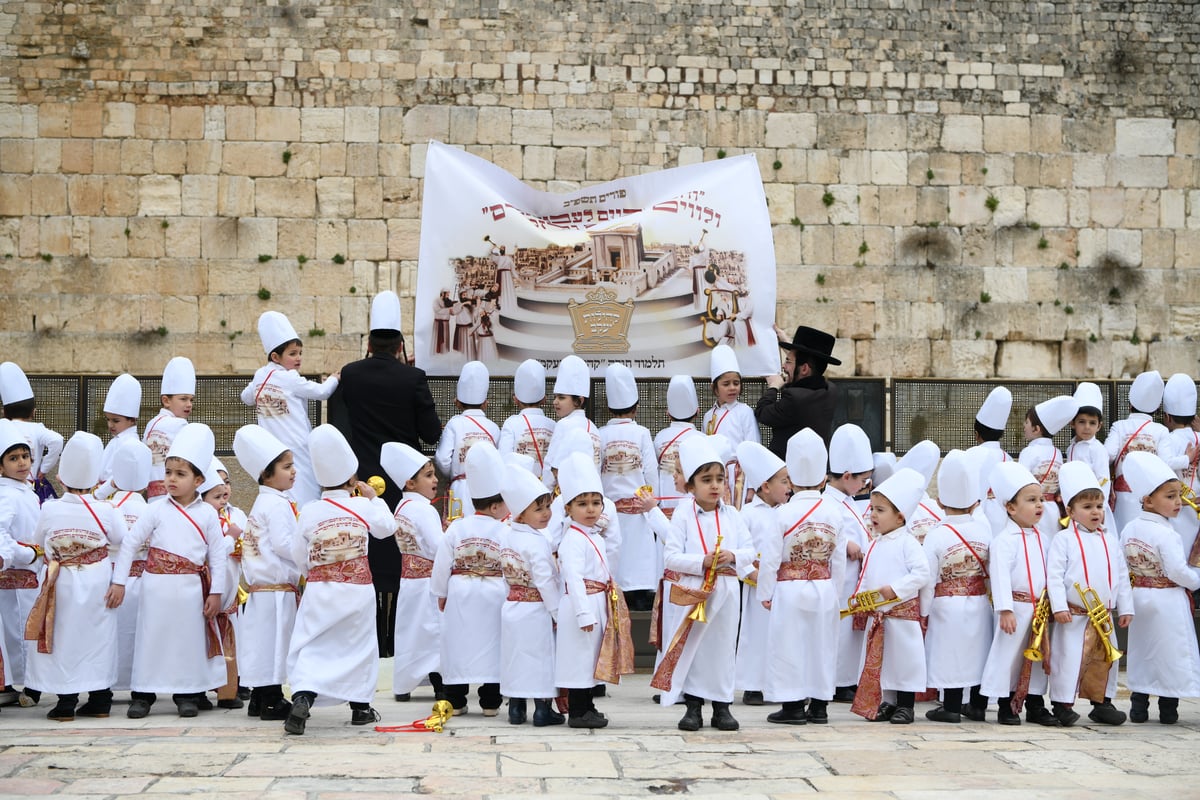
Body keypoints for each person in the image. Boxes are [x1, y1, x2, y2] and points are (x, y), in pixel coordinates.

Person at [329, 290, 442, 658]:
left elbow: (340, 428)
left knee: (368, 554)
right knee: (399, 556)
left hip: (361, 481)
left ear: (369, 342)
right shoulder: (413, 378)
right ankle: (396, 637)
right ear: (398, 345)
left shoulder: (350, 374)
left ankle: (373, 634)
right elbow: (431, 433)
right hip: (401, 481)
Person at [106, 423, 227, 719]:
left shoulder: (207, 514)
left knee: (186, 640)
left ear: (199, 480)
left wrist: (216, 592)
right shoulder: (156, 508)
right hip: (155, 587)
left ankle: (186, 693)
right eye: (168, 472)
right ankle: (142, 694)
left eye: (180, 474)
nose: (171, 479)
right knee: (150, 638)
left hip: (190, 591)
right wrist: (119, 581)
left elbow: (219, 556)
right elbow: (131, 544)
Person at [283, 424, 396, 735]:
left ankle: (304, 695)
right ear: (351, 478)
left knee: (314, 643)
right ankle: (360, 707)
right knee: (358, 646)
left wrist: (316, 574)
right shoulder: (362, 505)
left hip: (320, 588)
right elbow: (386, 528)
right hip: (357, 590)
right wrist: (373, 499)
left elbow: (298, 553)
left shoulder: (309, 510)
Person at [651, 436, 757, 732]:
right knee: (694, 648)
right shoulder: (683, 514)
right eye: (706, 479)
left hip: (725, 590)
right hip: (694, 590)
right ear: (690, 485)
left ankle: (722, 706)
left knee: (722, 648)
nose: (714, 486)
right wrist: (702, 562)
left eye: (720, 479)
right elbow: (671, 557)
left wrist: (732, 555)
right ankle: (693, 706)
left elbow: (750, 551)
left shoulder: (734, 515)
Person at [22, 433, 124, 721]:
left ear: (62, 477)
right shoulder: (107, 509)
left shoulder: (50, 508)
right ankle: (101, 699)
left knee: (62, 636)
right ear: (95, 478)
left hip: (61, 581)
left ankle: (66, 701)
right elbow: (121, 538)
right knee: (98, 636)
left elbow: (37, 539)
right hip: (98, 581)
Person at [757, 429, 846, 724]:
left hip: (789, 587)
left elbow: (770, 559)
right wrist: (836, 592)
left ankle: (793, 706)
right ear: (823, 479)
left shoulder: (782, 514)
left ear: (791, 481)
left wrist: (765, 593)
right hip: (823, 586)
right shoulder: (835, 512)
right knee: (822, 645)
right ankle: (819, 707)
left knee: (789, 645)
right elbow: (840, 560)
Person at [1046, 461, 1132, 726]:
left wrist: (1126, 606)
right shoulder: (1064, 540)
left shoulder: (1109, 539)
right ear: (1070, 511)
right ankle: (1062, 703)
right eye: (1087, 507)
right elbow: (1055, 576)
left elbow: (1121, 575)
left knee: (1105, 658)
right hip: (1074, 615)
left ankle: (1102, 702)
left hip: (1103, 615)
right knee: (1069, 660)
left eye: (1099, 506)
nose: (1096, 512)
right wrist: (1059, 606)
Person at [555, 451, 634, 728]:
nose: (590, 509)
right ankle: (577, 711)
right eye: (582, 504)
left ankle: (587, 704)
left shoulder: (594, 536)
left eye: (595, 503)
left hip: (597, 602)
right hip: (583, 605)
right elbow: (573, 578)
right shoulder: (572, 540)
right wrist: (583, 613)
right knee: (580, 659)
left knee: (591, 659)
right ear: (568, 508)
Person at [1120, 452, 1200, 724]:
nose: (1178, 502)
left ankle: (1138, 707)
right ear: (1148, 500)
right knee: (1170, 652)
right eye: (1170, 496)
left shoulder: (1130, 527)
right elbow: (1177, 571)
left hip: (1139, 597)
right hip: (1167, 601)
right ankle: (1168, 709)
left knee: (1142, 652)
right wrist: (1196, 579)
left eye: (1178, 495)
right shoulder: (1167, 533)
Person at [430, 442, 508, 717]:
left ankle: (457, 700)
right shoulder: (504, 531)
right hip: (495, 591)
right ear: (497, 504)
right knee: (493, 643)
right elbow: (510, 566)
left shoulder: (457, 527)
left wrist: (441, 592)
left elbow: (442, 564)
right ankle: (490, 702)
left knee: (458, 643)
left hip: (461, 591)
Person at [847, 468, 931, 724]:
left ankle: (906, 705)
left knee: (904, 662)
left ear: (899, 516)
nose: (873, 515)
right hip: (879, 615)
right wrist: (860, 597)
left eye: (880, 510)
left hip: (902, 617)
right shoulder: (874, 544)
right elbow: (867, 574)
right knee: (884, 663)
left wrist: (895, 589)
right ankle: (888, 702)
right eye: (872, 509)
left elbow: (922, 573)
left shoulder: (909, 543)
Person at [979, 462, 1059, 726]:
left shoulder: (1044, 539)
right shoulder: (1003, 541)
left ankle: (1036, 704)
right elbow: (999, 576)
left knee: (1038, 658)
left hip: (1040, 611)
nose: (1039, 505)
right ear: (1010, 507)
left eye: (1041, 499)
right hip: (1016, 608)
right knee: (1010, 658)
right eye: (1031, 500)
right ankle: (1006, 705)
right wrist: (1005, 609)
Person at [231, 424, 301, 721]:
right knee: (275, 644)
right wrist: (309, 550)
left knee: (261, 644)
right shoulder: (277, 504)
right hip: (276, 589)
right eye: (287, 467)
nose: (294, 471)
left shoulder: (264, 501)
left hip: (263, 589)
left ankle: (259, 697)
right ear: (266, 474)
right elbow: (285, 544)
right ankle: (272, 699)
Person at [919, 450, 992, 723]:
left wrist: (924, 612)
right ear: (975, 502)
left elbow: (929, 579)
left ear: (939, 501)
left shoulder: (936, 535)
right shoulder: (984, 531)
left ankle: (950, 707)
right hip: (979, 600)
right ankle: (977, 704)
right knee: (979, 650)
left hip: (946, 604)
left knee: (950, 653)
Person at [242, 311, 340, 506]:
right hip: (297, 445)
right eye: (293, 354)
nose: (298, 359)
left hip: (272, 448)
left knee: (279, 493)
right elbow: (321, 393)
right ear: (276, 357)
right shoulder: (290, 378)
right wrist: (333, 379)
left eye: (300, 353)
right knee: (304, 489)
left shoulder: (260, 375)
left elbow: (246, 398)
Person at [498, 468, 563, 726]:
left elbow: (505, 574)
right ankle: (542, 710)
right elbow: (545, 580)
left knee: (514, 657)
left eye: (547, 506)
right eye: (539, 509)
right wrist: (556, 611)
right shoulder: (537, 542)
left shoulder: (506, 536)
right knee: (540, 658)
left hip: (512, 605)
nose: (547, 513)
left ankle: (516, 709)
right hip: (536, 608)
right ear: (521, 514)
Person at [381, 441, 444, 704]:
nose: (435, 480)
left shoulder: (401, 507)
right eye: (428, 475)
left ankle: (404, 684)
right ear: (410, 482)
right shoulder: (424, 509)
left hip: (408, 580)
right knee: (433, 631)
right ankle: (441, 682)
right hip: (429, 581)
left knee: (409, 631)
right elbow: (439, 548)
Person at [732, 441, 790, 707]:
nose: (789, 486)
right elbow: (739, 550)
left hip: (785, 586)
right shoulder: (747, 515)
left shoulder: (789, 513)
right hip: (756, 588)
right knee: (755, 635)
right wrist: (751, 574)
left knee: (782, 636)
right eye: (784, 481)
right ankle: (753, 684)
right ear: (765, 486)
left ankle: (780, 683)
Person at [599, 364, 659, 611]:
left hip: (611, 508)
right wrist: (653, 502)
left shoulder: (600, 433)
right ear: (636, 407)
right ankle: (642, 595)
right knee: (640, 553)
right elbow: (651, 472)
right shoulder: (642, 433)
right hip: (638, 507)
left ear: (609, 408)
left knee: (617, 550)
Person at [823, 423, 874, 704]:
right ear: (846, 476)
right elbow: (821, 535)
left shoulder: (848, 501)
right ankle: (838, 681)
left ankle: (849, 678)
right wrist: (845, 546)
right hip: (839, 580)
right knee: (839, 633)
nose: (865, 486)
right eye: (863, 480)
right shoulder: (828, 503)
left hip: (853, 580)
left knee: (850, 635)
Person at [0, 418, 43, 707]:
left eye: (25, 456)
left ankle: (29, 683)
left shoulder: (25, 490)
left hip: (30, 576)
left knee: (26, 629)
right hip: (15, 578)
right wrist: (25, 554)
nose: (22, 463)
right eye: (13, 458)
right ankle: (22, 684)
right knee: (16, 631)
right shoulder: (6, 494)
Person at [105, 440, 151, 697]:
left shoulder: (107, 507)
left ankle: (106, 685)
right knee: (137, 635)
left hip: (109, 580)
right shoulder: (149, 509)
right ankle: (138, 687)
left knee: (109, 635)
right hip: (142, 580)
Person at [755, 325, 840, 457]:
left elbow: (762, 413)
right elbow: (807, 362)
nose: (783, 366)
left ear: (804, 369)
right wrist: (792, 346)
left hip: (787, 471)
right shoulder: (830, 390)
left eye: (788, 361)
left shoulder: (794, 399)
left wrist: (773, 386)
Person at [1107, 370, 1170, 533]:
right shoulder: (1161, 430)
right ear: (1156, 409)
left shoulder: (1119, 426)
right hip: (1150, 499)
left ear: (1130, 404)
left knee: (1123, 537)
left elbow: (1108, 454)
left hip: (1123, 498)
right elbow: (1166, 463)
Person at [435, 361, 498, 519]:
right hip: (488, 488)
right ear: (485, 403)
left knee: (458, 529)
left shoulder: (454, 423)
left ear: (457, 402)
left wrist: (456, 474)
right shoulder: (493, 427)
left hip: (460, 489)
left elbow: (442, 459)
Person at [702, 345, 760, 507]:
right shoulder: (708, 416)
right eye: (726, 384)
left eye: (736, 383)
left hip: (740, 476)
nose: (732, 388)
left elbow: (753, 448)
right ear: (714, 387)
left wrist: (752, 487)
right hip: (716, 475)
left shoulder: (745, 411)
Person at [1018, 395, 1079, 541]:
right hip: (1053, 509)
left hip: (1034, 509)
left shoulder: (1028, 452)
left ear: (1036, 429)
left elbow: (1020, 483)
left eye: (1026, 422)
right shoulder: (1057, 452)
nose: (1024, 426)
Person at [141, 357, 195, 502]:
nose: (189, 404)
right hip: (175, 496)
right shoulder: (180, 425)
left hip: (151, 497)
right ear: (166, 400)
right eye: (183, 399)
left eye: (191, 400)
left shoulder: (151, 424)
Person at [1160, 374, 1200, 561]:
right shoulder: (1198, 437)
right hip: (1197, 500)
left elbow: (1163, 462)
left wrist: (1185, 459)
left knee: (1178, 553)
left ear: (1167, 417)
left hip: (1176, 505)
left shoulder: (1168, 439)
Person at [498, 359, 556, 487]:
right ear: (544, 399)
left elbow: (503, 461)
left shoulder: (511, 424)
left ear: (515, 400)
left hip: (519, 490)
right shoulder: (554, 426)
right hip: (547, 492)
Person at [965, 386, 1015, 535]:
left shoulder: (970, 454)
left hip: (974, 516)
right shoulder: (1008, 458)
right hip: (1003, 517)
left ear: (976, 434)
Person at [653, 375, 704, 521]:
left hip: (664, 508)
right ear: (697, 412)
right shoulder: (702, 438)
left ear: (668, 414)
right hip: (693, 509)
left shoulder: (659, 437)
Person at [543, 355, 601, 479]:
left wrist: (547, 495)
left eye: (561, 397)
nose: (555, 402)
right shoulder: (594, 428)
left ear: (579, 401)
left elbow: (550, 466)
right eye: (555, 397)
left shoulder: (564, 424)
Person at [95, 374, 142, 496]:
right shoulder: (117, 439)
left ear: (132, 420)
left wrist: (99, 494)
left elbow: (118, 477)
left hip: (114, 494)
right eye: (108, 420)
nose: (110, 425)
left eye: (115, 421)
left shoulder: (131, 443)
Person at [1066, 382, 1110, 505]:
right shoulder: (1071, 447)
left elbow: (1104, 480)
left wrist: (1100, 506)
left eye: (1092, 423)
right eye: (1082, 422)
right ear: (1072, 423)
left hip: (1091, 505)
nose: (1087, 427)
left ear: (1099, 426)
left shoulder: (1097, 449)